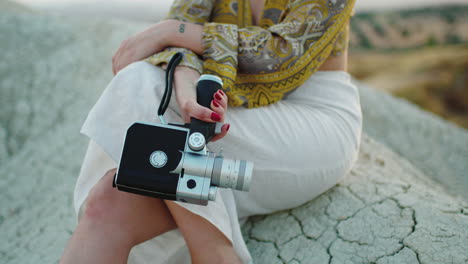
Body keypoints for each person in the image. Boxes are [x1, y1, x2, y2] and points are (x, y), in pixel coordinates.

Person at [60, 0, 362, 263]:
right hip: (224, 111)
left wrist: (168, 31)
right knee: (106, 204)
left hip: (312, 121)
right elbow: (183, 38)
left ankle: (212, 251)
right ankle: (213, 247)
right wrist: (185, 82)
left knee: (142, 83)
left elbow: (281, 56)